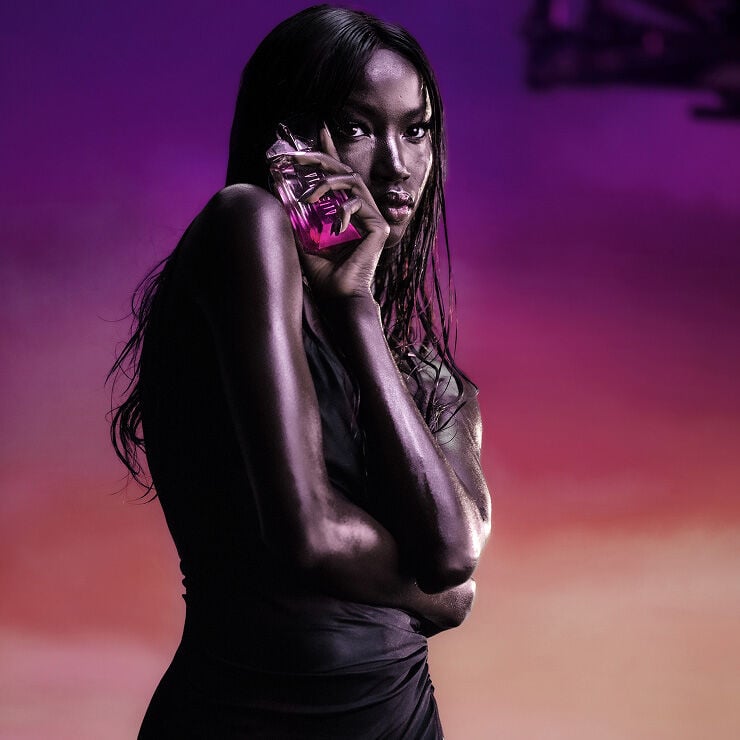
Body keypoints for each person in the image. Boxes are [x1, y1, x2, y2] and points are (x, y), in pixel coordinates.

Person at [108, 5, 491, 738]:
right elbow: (308, 532)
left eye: (416, 130)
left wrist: (355, 310)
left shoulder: (434, 384)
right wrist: (435, 599)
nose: (396, 165)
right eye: (357, 127)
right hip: (241, 717)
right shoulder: (243, 222)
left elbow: (450, 551)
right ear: (288, 139)